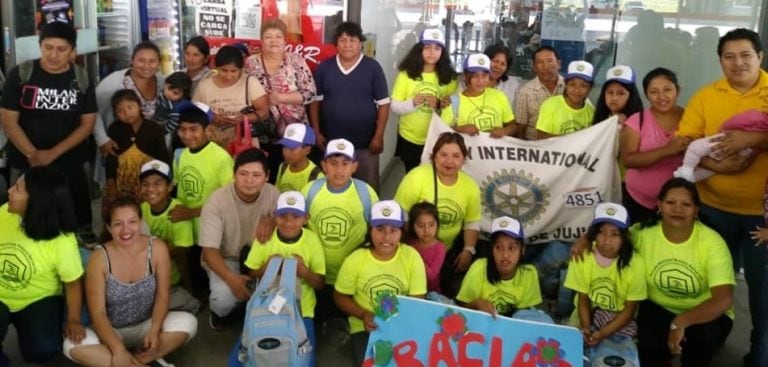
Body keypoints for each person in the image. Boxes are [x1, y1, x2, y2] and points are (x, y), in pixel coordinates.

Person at [676, 29, 768, 367]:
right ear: (720, 61)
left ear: (759, 56)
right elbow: (687, 141)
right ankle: (709, 345)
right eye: (729, 56)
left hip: (764, 216)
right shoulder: (706, 96)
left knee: (762, 293)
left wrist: (752, 139)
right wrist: (718, 166)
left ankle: (759, 356)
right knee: (711, 288)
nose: (738, 62)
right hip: (714, 209)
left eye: (745, 55)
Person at [65, 197, 198, 366]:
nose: (125, 230)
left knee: (189, 323)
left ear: (141, 223)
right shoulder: (99, 257)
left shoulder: (157, 248)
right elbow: (98, 312)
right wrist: (118, 349)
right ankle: (144, 362)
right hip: (112, 330)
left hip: (147, 324)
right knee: (71, 346)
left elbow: (163, 295)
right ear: (108, 227)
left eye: (132, 222)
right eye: (118, 224)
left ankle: (139, 360)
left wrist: (155, 331)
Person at [1, 21, 98, 245]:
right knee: (21, 213)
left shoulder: (81, 78)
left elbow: (87, 125)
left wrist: (51, 154)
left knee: (75, 215)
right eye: (47, 47)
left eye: (61, 49)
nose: (53, 55)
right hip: (25, 159)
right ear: (40, 45)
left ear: (72, 50)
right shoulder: (21, 74)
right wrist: (33, 154)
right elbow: (8, 120)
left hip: (70, 160)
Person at [633, 179, 733, 367]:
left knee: (701, 339)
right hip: (657, 307)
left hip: (705, 312)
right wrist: (585, 240)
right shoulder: (642, 233)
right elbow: (609, 239)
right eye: (671, 202)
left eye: (686, 204)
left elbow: (724, 299)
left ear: (696, 210)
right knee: (647, 346)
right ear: (659, 205)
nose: (677, 209)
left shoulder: (713, 243)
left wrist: (680, 322)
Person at [0, 167, 85, 365]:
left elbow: (72, 283)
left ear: (37, 201)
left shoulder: (63, 240)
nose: (9, 191)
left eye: (18, 189)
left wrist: (73, 320)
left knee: (43, 350)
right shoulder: (4, 212)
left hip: (38, 298)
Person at [334, 200, 427, 365]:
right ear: (370, 230)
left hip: (402, 323)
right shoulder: (356, 259)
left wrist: (395, 323)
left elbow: (417, 298)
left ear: (401, 232)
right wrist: (363, 315)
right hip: (364, 327)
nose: (386, 237)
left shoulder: (411, 257)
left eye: (393, 230)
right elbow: (340, 296)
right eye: (380, 229)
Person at [198, 148, 279, 330]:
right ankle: (220, 318)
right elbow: (209, 251)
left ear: (267, 176)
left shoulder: (273, 194)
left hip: (261, 258)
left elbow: (290, 225)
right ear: (234, 174)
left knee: (281, 296)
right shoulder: (216, 201)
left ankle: (248, 309)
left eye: (256, 175)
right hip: (228, 259)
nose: (249, 181)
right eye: (243, 174)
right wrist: (230, 278)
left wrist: (273, 220)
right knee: (222, 300)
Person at [394, 132, 481, 297]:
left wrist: (468, 250)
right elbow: (401, 213)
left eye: (456, 156)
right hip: (412, 250)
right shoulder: (416, 177)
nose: (449, 161)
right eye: (443, 155)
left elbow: (472, 221)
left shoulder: (470, 186)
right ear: (434, 156)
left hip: (446, 252)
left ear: (464, 159)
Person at [301, 138, 378, 324]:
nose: (339, 169)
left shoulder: (366, 193)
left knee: (347, 320)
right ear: (324, 165)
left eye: (345, 164)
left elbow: (376, 231)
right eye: (333, 163)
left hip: (349, 279)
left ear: (354, 166)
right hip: (317, 276)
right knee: (318, 320)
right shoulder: (309, 191)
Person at [244, 191, 325, 367]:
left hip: (302, 309)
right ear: (275, 216)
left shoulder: (311, 241)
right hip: (266, 306)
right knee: (245, 357)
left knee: (302, 358)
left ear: (306, 218)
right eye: (283, 216)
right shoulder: (266, 238)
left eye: (296, 217)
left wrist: (304, 272)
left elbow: (319, 284)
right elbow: (251, 272)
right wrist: (266, 269)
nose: (288, 222)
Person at [310, 21, 390, 191]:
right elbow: (315, 101)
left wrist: (379, 136)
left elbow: (384, 104)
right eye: (343, 40)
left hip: (365, 145)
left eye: (352, 40)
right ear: (336, 43)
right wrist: (316, 131)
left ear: (360, 43)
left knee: (368, 189)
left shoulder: (372, 68)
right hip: (331, 144)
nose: (347, 45)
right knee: (333, 190)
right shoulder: (324, 67)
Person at [563, 203, 646, 366]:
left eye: (615, 234)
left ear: (625, 237)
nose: (607, 241)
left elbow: (629, 311)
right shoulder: (583, 257)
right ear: (593, 234)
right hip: (588, 313)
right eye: (601, 232)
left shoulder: (636, 263)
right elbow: (583, 299)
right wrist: (587, 329)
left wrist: (601, 334)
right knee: (567, 353)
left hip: (619, 318)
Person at [244, 19, 317, 180]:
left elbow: (310, 92)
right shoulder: (250, 63)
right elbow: (244, 93)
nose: (274, 41)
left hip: (295, 131)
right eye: (268, 37)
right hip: (265, 131)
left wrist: (281, 98)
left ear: (285, 40)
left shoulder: (296, 61)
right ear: (262, 40)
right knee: (268, 173)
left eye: (278, 36)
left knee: (297, 175)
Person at [621, 68, 689, 224]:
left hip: (678, 207)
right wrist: (667, 151)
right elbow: (628, 160)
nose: (662, 97)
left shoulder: (691, 119)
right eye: (654, 92)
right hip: (637, 202)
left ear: (677, 91)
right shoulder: (637, 121)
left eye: (667, 90)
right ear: (646, 95)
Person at [390, 28, 458, 172]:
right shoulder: (405, 75)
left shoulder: (449, 78)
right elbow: (394, 106)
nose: (432, 52)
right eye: (427, 47)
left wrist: (439, 104)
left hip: (438, 137)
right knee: (412, 175)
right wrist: (413, 103)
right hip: (410, 137)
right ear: (419, 50)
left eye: (437, 48)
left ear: (442, 52)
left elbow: (454, 112)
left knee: (436, 177)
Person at [139, 160, 200, 313]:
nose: (151, 189)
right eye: (145, 184)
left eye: (158, 183)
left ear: (169, 187)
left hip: (170, 280)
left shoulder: (177, 212)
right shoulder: (142, 209)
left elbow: (182, 256)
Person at [171, 101, 233, 241]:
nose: (186, 135)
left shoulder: (221, 158)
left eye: (193, 129)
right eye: (182, 129)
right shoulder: (180, 155)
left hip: (211, 233)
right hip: (186, 231)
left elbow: (229, 200)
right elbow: (177, 186)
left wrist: (191, 213)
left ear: (208, 130)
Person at [456, 216, 542, 318]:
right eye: (499, 247)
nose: (505, 255)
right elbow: (460, 308)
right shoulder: (479, 268)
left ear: (522, 250)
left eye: (512, 248)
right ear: (492, 250)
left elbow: (525, 317)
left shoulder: (529, 273)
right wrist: (476, 304)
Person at [103, 90, 170, 212]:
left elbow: (163, 157)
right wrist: (111, 182)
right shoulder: (114, 129)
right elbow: (110, 159)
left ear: (139, 106)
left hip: (147, 183)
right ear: (115, 114)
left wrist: (165, 182)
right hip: (122, 183)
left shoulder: (154, 128)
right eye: (120, 111)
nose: (126, 113)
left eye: (130, 107)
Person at [94, 41, 163, 158]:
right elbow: (92, 110)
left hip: (151, 150)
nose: (147, 66)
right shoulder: (113, 82)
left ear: (159, 63)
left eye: (152, 61)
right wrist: (102, 140)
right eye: (141, 60)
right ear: (132, 60)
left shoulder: (162, 82)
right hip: (119, 147)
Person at [193, 45, 270, 149]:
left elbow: (264, 112)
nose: (229, 75)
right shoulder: (204, 86)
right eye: (224, 71)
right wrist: (212, 117)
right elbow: (195, 111)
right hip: (213, 144)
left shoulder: (250, 83)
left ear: (241, 69)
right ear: (216, 67)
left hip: (244, 142)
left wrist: (243, 119)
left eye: (233, 71)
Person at [674, 110, 768, 182]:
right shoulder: (758, 117)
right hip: (727, 140)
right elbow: (682, 144)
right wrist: (714, 165)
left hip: (755, 201)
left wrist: (755, 140)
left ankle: (688, 175)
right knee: (695, 148)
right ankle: (686, 173)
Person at [440, 53, 517, 138]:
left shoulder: (499, 96)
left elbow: (513, 126)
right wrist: (460, 129)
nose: (480, 81)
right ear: (465, 76)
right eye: (475, 76)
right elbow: (441, 131)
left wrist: (504, 130)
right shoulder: (452, 102)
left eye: (484, 75)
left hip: (494, 150)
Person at [515, 46, 565, 140]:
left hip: (565, 146)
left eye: (550, 61)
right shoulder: (526, 91)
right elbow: (521, 126)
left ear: (559, 64)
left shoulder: (569, 87)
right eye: (540, 62)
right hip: (535, 147)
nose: (546, 67)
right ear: (534, 67)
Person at [536, 60, 595, 139]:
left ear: (590, 89)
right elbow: (541, 137)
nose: (577, 90)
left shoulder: (591, 111)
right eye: (572, 84)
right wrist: (574, 139)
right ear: (566, 85)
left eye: (583, 86)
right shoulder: (550, 105)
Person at [406, 202, 445, 293]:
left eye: (431, 225)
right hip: (410, 290)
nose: (426, 230)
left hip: (431, 292)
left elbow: (432, 276)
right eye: (420, 226)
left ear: (437, 225)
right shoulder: (409, 244)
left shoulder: (440, 247)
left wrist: (415, 257)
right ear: (413, 226)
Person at [275, 123, 323, 192]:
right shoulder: (283, 166)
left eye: (292, 149)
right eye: (284, 147)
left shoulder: (316, 176)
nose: (286, 153)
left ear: (307, 150)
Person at [155, 71, 193, 137]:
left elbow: (173, 125)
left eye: (175, 93)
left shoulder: (178, 107)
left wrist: (161, 133)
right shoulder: (163, 94)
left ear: (183, 95)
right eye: (167, 88)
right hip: (157, 120)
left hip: (168, 129)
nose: (168, 93)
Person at [484, 43, 521, 109]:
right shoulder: (472, 81)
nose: (498, 67)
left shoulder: (512, 85)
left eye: (503, 64)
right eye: (495, 61)